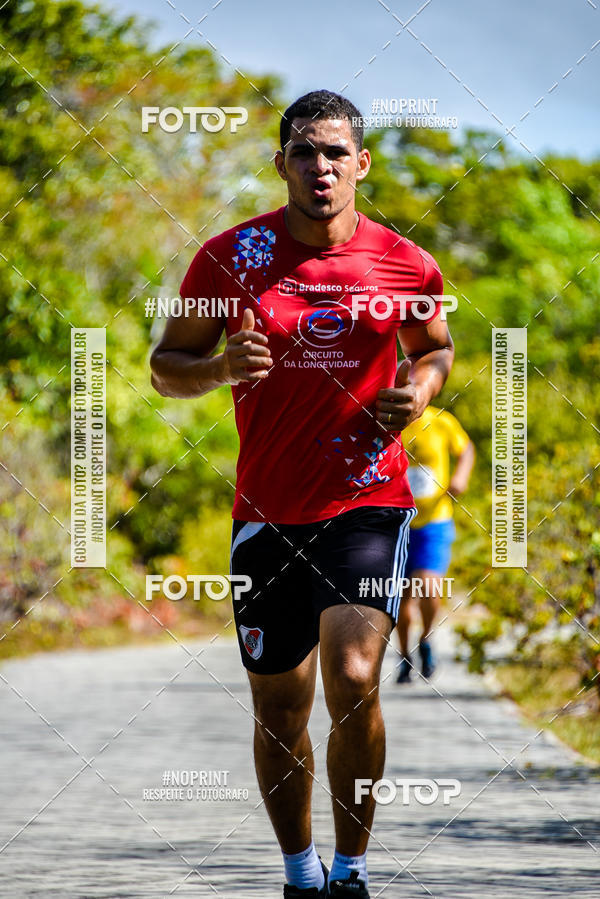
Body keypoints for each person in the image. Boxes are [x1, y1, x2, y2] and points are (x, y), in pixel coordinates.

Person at [150, 90, 454, 898]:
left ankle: (351, 873)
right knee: (281, 710)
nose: (321, 166)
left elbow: (435, 346)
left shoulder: (405, 262)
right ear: (280, 163)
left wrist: (420, 392)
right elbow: (166, 367)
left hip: (367, 502)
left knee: (353, 678)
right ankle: (300, 874)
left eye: (335, 152)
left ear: (361, 164)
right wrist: (217, 368)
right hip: (266, 514)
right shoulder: (230, 257)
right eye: (304, 152)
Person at [395, 406, 475, 684]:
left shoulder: (441, 421)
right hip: (398, 522)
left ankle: (426, 638)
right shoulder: (388, 422)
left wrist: (460, 477)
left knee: (429, 585)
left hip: (435, 520)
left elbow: (466, 449)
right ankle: (404, 656)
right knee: (402, 596)